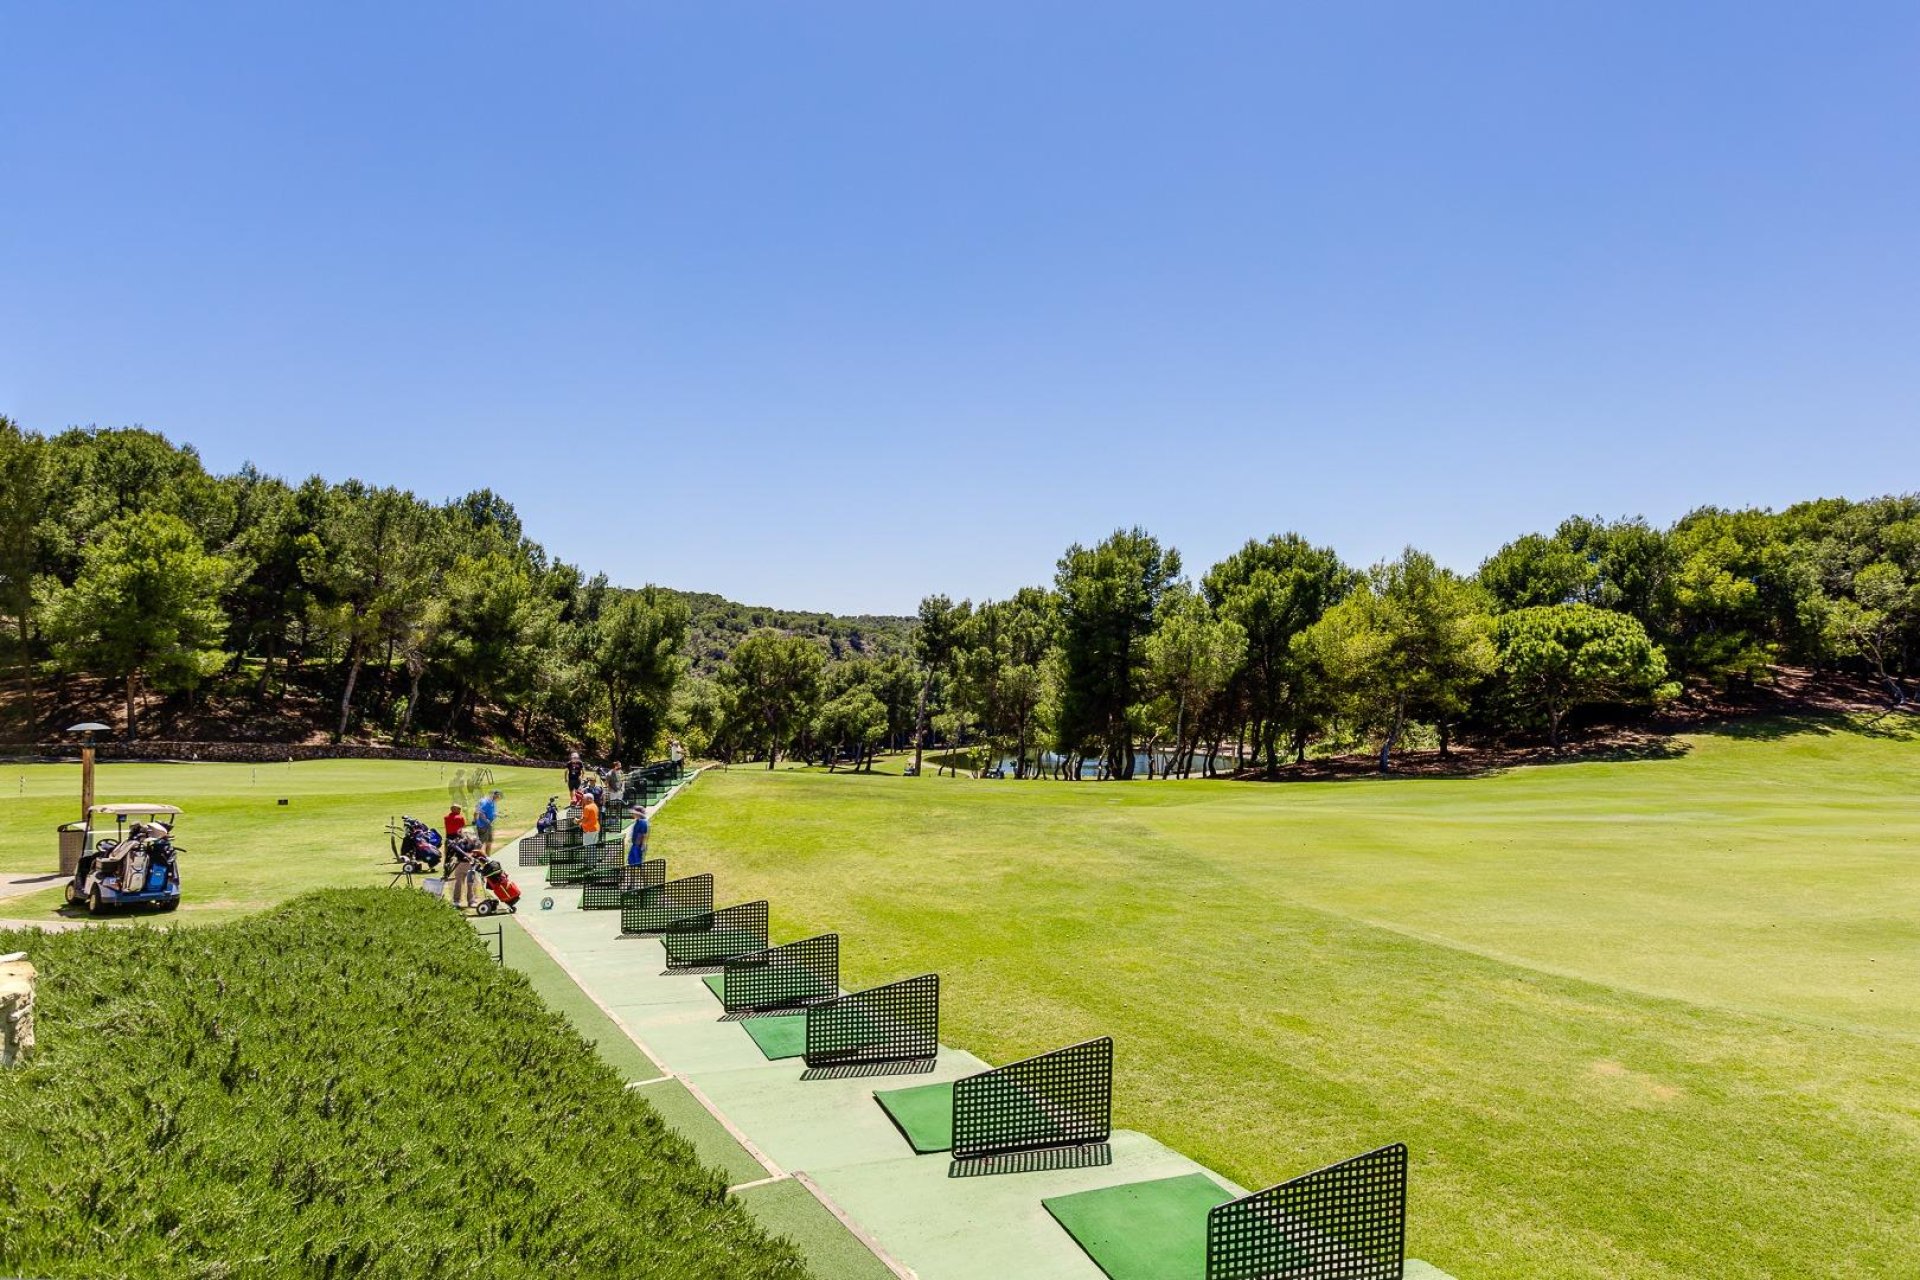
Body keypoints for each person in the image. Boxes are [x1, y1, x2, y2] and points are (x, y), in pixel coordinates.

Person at [475, 790, 500, 855]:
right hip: (483, 826)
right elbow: (481, 813)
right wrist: (486, 821)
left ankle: (488, 858)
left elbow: (492, 812)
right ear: (493, 795)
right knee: (480, 843)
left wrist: (499, 815)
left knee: (489, 842)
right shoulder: (486, 802)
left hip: (489, 826)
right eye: (497, 795)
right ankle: (476, 858)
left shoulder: (493, 802)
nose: (498, 797)